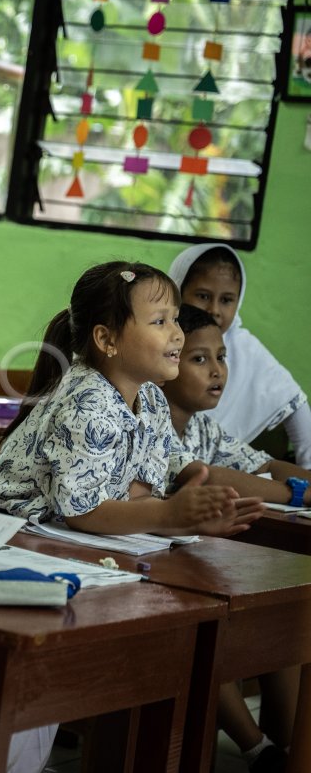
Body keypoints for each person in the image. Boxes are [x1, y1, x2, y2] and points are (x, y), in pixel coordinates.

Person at [0, 261, 263, 537]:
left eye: (174, 319)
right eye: (160, 321)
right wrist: (168, 513)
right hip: (10, 532)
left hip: (68, 536)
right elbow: (83, 513)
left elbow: (135, 503)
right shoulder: (86, 403)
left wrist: (190, 524)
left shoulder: (153, 401)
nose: (177, 334)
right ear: (107, 340)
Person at [160, 303, 300, 772]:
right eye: (200, 359)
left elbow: (259, 462)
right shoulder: (150, 416)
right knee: (201, 626)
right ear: (168, 359)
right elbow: (210, 474)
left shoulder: (201, 424)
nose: (218, 371)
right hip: (159, 567)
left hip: (198, 563)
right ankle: (257, 749)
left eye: (222, 358)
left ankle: (286, 744)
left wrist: (301, 481)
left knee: (287, 615)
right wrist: (295, 492)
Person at [168, 243, 311, 468]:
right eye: (203, 296)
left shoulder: (207, 432)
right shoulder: (156, 345)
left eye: (226, 300)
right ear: (177, 291)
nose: (214, 309)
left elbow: (294, 403)